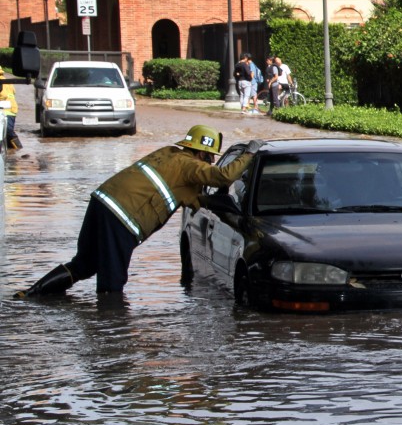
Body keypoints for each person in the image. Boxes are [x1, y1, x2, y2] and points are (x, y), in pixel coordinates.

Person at [14, 125, 263, 300]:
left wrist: (219, 204)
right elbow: (223, 176)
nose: (209, 162)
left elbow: (186, 196)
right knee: (112, 280)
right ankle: (111, 334)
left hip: (100, 202)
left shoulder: (168, 154)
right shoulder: (189, 165)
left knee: (85, 264)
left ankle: (32, 294)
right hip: (121, 218)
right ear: (200, 152)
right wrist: (249, 153)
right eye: (209, 157)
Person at [0, 67, 21, 150]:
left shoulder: (2, 81)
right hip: (10, 109)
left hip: (7, 110)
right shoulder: (6, 80)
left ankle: (17, 148)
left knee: (8, 132)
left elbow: (4, 95)